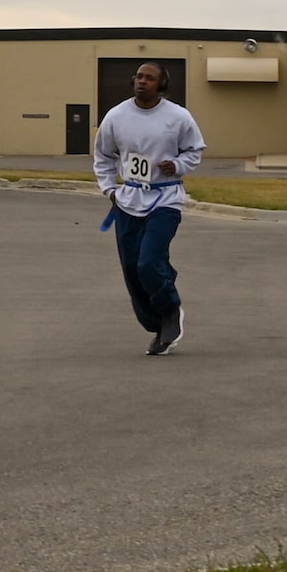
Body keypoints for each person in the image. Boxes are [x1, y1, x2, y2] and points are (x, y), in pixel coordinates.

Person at [94, 61, 206, 354]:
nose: (142, 81)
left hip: (165, 199)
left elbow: (195, 150)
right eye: (139, 77)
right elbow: (103, 155)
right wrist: (109, 188)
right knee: (133, 270)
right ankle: (157, 325)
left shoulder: (178, 117)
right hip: (128, 201)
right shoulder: (116, 116)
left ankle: (171, 310)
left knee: (148, 263)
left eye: (150, 78)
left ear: (161, 85)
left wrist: (179, 164)